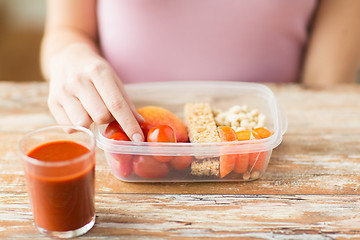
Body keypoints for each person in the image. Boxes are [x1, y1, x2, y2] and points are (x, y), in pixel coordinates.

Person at [41, 0, 360, 142]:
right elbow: (67, 29)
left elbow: (326, 87)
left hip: (269, 143)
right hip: (127, 140)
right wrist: (69, 56)